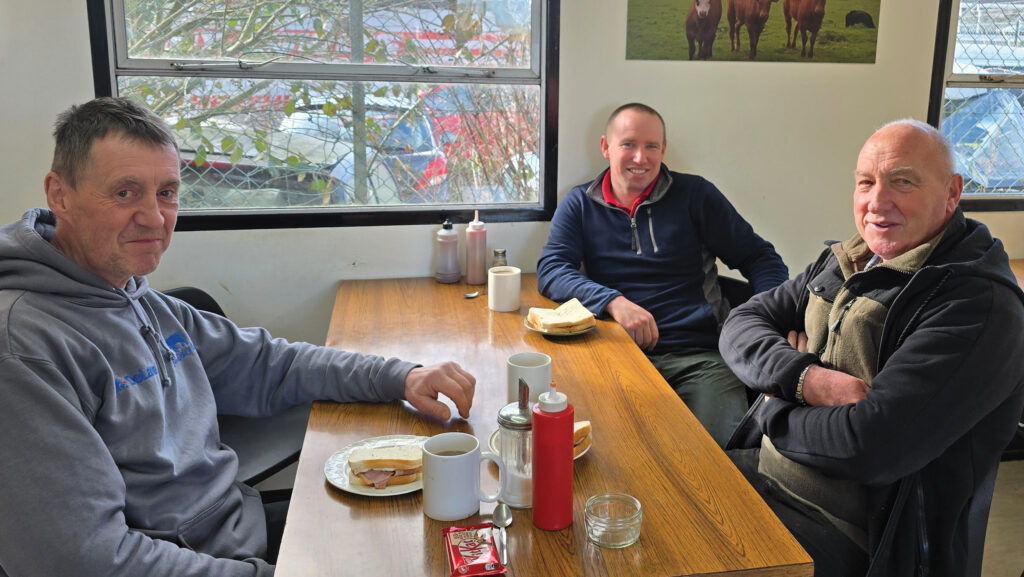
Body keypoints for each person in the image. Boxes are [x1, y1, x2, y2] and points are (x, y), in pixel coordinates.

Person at [0, 97, 476, 576]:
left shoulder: (134, 297)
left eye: (167, 192)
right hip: (194, 560)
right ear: (59, 195)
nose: (154, 217)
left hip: (233, 531)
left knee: (439, 538)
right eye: (125, 193)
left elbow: (271, 364)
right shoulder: (24, 348)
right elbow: (81, 560)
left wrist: (403, 377)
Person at [720, 119, 1024, 577]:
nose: (877, 202)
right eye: (866, 182)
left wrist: (772, 405)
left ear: (952, 192)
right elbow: (741, 322)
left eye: (903, 181)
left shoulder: (980, 304)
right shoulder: (851, 257)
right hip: (764, 472)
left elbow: (869, 445)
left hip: (863, 538)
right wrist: (808, 380)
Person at [537, 102, 789, 447]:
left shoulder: (696, 195)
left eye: (651, 146)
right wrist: (613, 301)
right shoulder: (580, 203)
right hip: (618, 356)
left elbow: (760, 257)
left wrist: (772, 320)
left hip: (701, 359)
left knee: (718, 461)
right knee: (612, 453)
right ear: (606, 147)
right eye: (628, 144)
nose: (640, 157)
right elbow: (552, 270)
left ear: (663, 149)